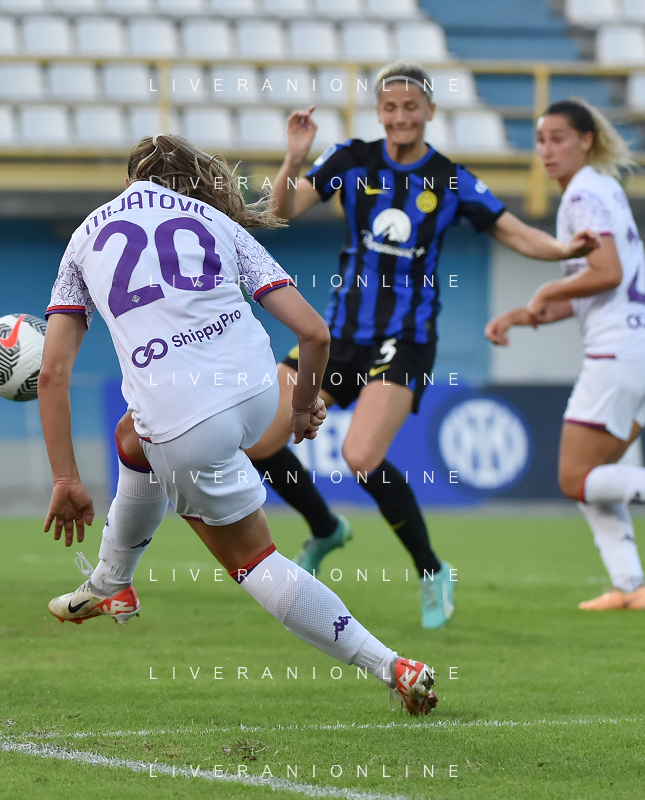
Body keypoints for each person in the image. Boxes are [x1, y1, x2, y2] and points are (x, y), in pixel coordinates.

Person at [95, 59, 600, 631]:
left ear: (430, 112)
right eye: (390, 107)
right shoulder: (352, 161)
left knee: (361, 457)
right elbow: (280, 211)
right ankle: (326, 528)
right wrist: (293, 158)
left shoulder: (451, 178)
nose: (401, 117)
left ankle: (432, 570)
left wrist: (564, 251)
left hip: (405, 340)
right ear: (379, 112)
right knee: (257, 440)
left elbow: (513, 230)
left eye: (411, 107)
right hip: (340, 338)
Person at [39, 134, 440, 715]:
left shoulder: (84, 237)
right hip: (257, 393)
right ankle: (111, 583)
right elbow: (314, 333)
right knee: (132, 437)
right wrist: (301, 406)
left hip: (185, 422)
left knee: (255, 562)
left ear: (129, 182)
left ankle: (392, 666)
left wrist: (65, 478)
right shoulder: (217, 222)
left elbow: (52, 374)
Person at [485, 97, 645, 611]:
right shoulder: (605, 188)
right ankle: (631, 586)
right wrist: (523, 315)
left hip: (616, 352)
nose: (547, 150)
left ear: (586, 141)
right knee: (593, 482)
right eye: (540, 140)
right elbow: (592, 289)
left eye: (558, 139)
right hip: (633, 347)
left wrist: (548, 290)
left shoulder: (582, 194)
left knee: (575, 478)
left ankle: (629, 585)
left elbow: (608, 272)